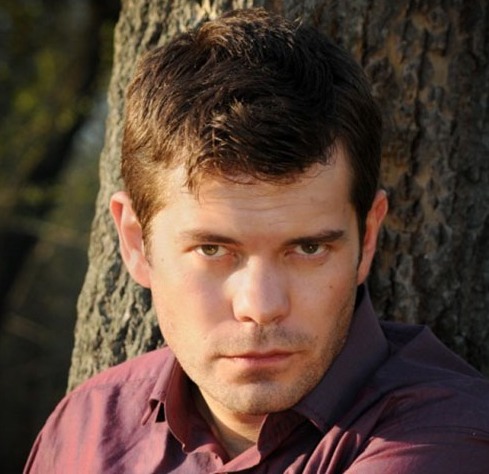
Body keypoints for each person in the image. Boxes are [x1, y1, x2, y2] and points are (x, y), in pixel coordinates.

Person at [25, 8, 489, 473]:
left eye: (308, 248)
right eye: (212, 250)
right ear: (135, 242)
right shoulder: (83, 429)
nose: (261, 307)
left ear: (366, 241)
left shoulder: (449, 433)